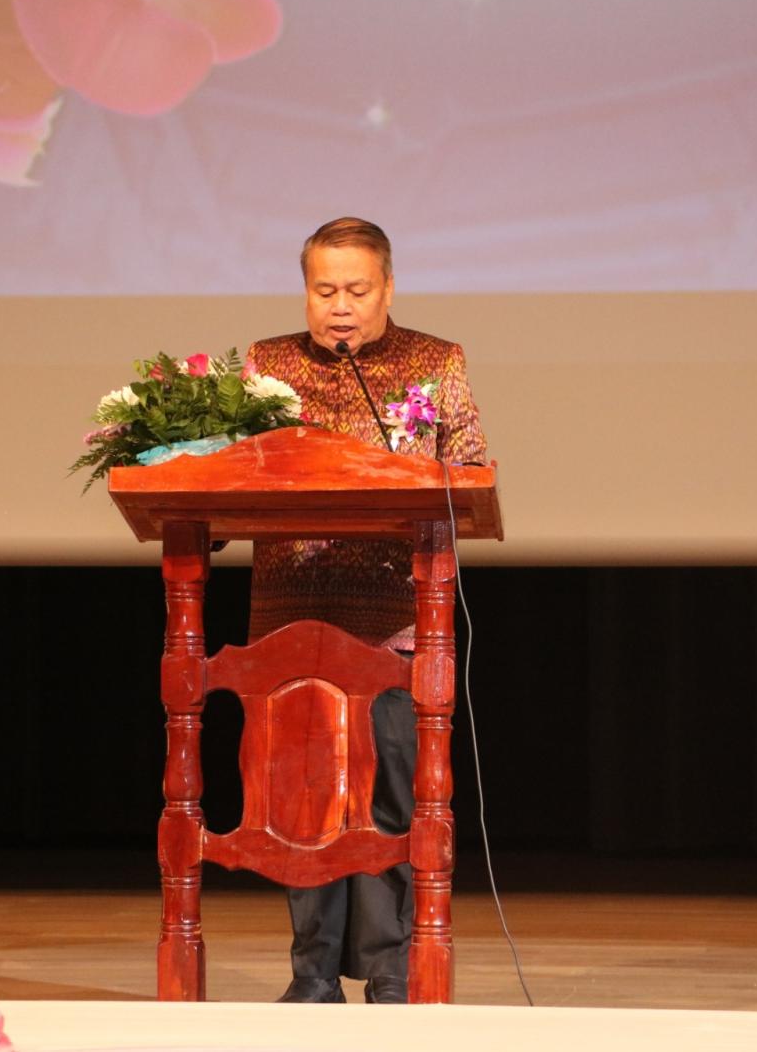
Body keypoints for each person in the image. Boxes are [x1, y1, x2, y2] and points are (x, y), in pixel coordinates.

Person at [246, 217, 488, 1004]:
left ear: (388, 288)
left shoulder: (435, 362)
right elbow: (236, 469)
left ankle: (390, 973)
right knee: (304, 804)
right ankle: (312, 974)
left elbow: (470, 468)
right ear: (305, 292)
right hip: (293, 616)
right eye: (325, 291)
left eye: (356, 289)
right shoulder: (268, 366)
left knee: (390, 800)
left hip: (394, 618)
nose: (340, 307)